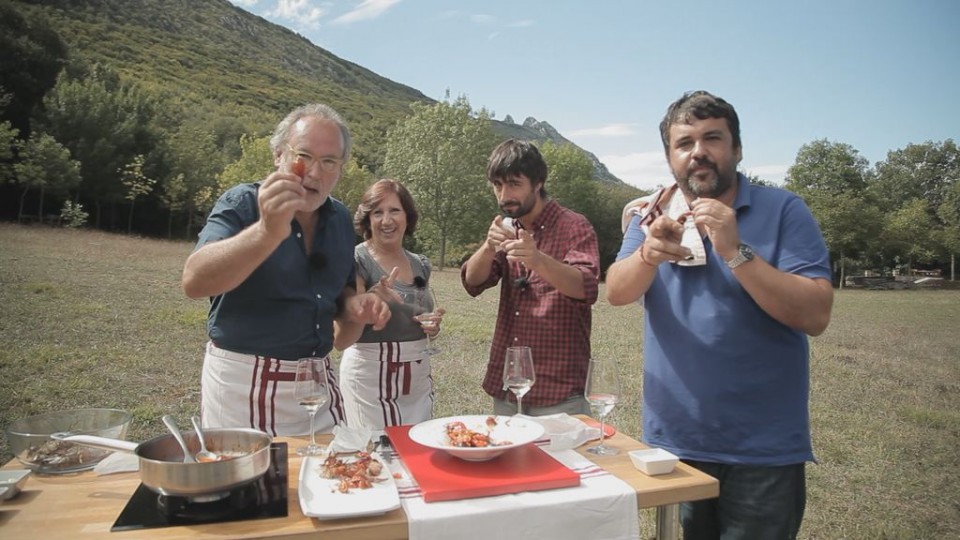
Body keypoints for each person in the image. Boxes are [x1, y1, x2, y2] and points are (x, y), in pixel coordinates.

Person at [605, 90, 834, 539]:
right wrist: (648, 254)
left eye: (712, 138)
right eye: (684, 143)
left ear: (737, 149)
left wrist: (734, 249)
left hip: (763, 448)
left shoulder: (785, 209)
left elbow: (816, 314)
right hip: (676, 442)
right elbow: (616, 291)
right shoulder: (651, 214)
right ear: (670, 156)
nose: (698, 152)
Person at [182, 103, 391, 437]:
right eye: (303, 156)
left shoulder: (338, 219)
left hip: (317, 384)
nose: (314, 172)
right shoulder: (242, 203)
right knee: (253, 488)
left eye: (328, 162)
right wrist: (265, 232)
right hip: (243, 385)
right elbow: (194, 282)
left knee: (337, 478)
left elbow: (339, 297)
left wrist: (355, 305)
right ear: (278, 155)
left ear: (340, 168)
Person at [461, 139, 600, 416]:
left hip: (558, 392)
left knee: (561, 461)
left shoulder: (574, 225)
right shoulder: (508, 226)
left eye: (514, 184)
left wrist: (537, 259)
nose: (504, 196)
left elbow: (586, 287)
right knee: (506, 460)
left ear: (538, 183)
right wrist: (488, 247)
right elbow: (473, 282)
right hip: (508, 387)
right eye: (497, 185)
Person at [334, 179, 444, 430]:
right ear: (367, 219)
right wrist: (370, 300)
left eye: (394, 210)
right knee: (375, 455)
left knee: (416, 452)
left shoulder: (421, 265)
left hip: (416, 380)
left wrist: (432, 326)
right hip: (369, 381)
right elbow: (341, 339)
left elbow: (418, 314)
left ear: (407, 216)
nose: (387, 220)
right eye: (378, 212)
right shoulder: (356, 260)